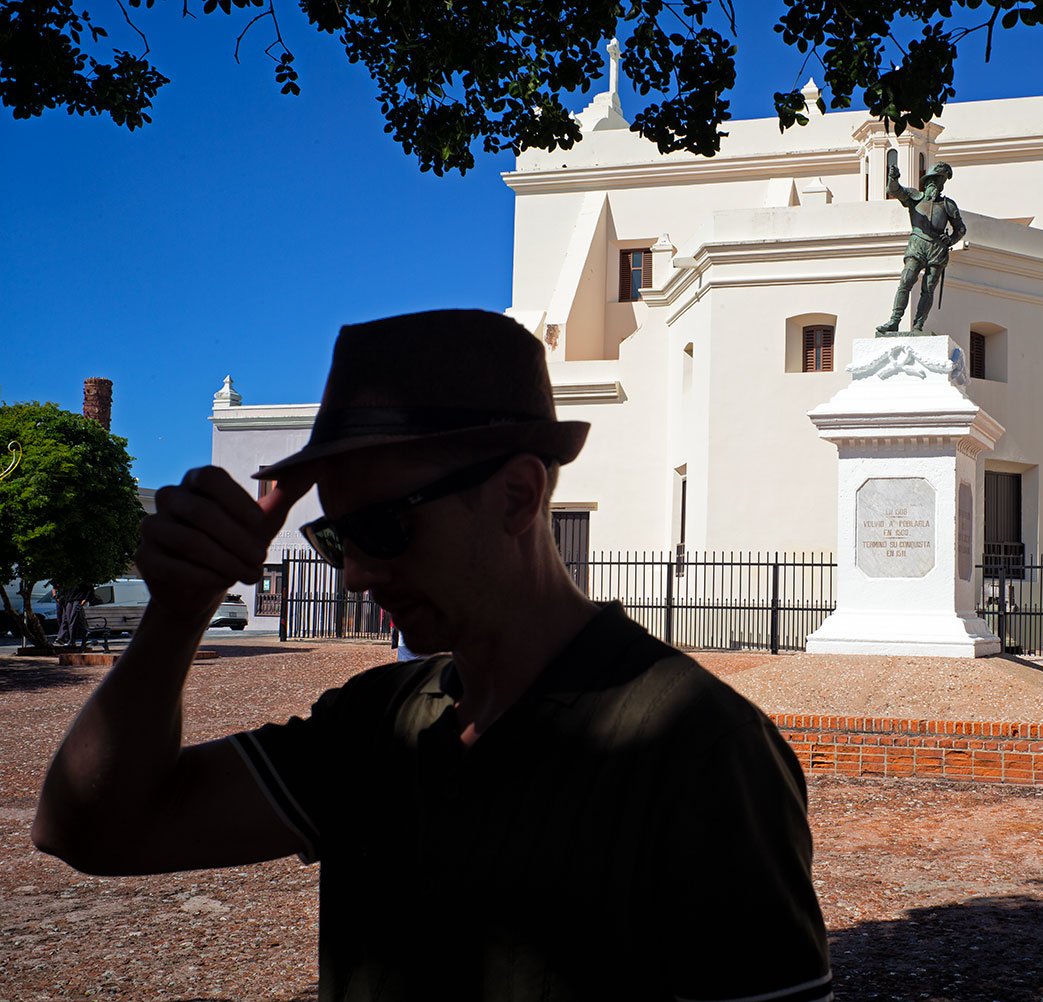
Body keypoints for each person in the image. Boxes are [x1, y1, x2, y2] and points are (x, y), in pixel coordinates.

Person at [32, 309, 831, 1002]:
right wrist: (176, 614)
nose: (354, 572)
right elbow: (90, 829)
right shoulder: (375, 726)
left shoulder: (694, 749)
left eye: (381, 528)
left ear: (518, 496)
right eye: (334, 536)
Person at [874, 161, 967, 335]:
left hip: (937, 250)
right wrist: (893, 178)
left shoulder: (948, 205)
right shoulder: (914, 197)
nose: (935, 184)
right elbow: (895, 191)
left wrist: (950, 239)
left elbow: (961, 229)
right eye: (933, 180)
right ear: (927, 181)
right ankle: (894, 321)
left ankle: (918, 325)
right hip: (917, 244)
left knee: (929, 288)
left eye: (939, 181)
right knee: (906, 281)